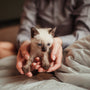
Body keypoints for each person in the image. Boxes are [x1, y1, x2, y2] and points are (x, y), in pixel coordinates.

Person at [16, 0, 90, 77]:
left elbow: (84, 33)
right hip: (39, 46)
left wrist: (59, 41)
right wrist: (24, 43)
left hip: (71, 45)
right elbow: (25, 30)